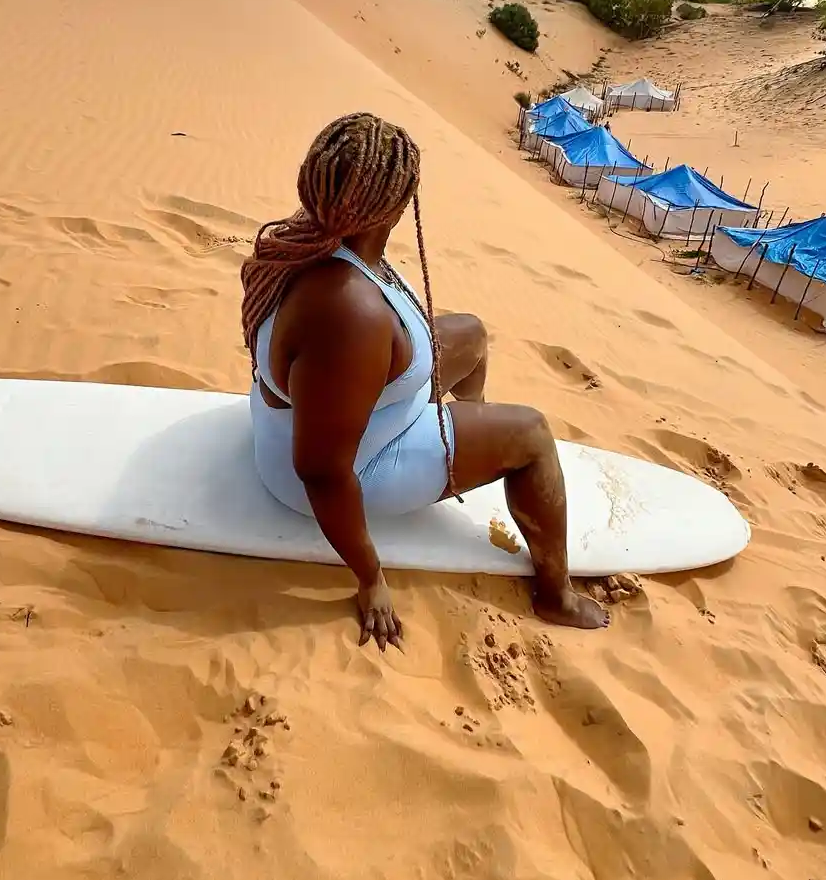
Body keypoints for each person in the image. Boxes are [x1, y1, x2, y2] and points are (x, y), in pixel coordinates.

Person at [241, 112, 609, 652]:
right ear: (388, 205)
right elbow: (320, 470)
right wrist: (371, 578)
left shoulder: (311, 234)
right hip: (345, 472)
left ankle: (473, 441)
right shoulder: (349, 315)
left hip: (345, 414)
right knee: (531, 435)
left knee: (472, 335)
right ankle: (557, 595)